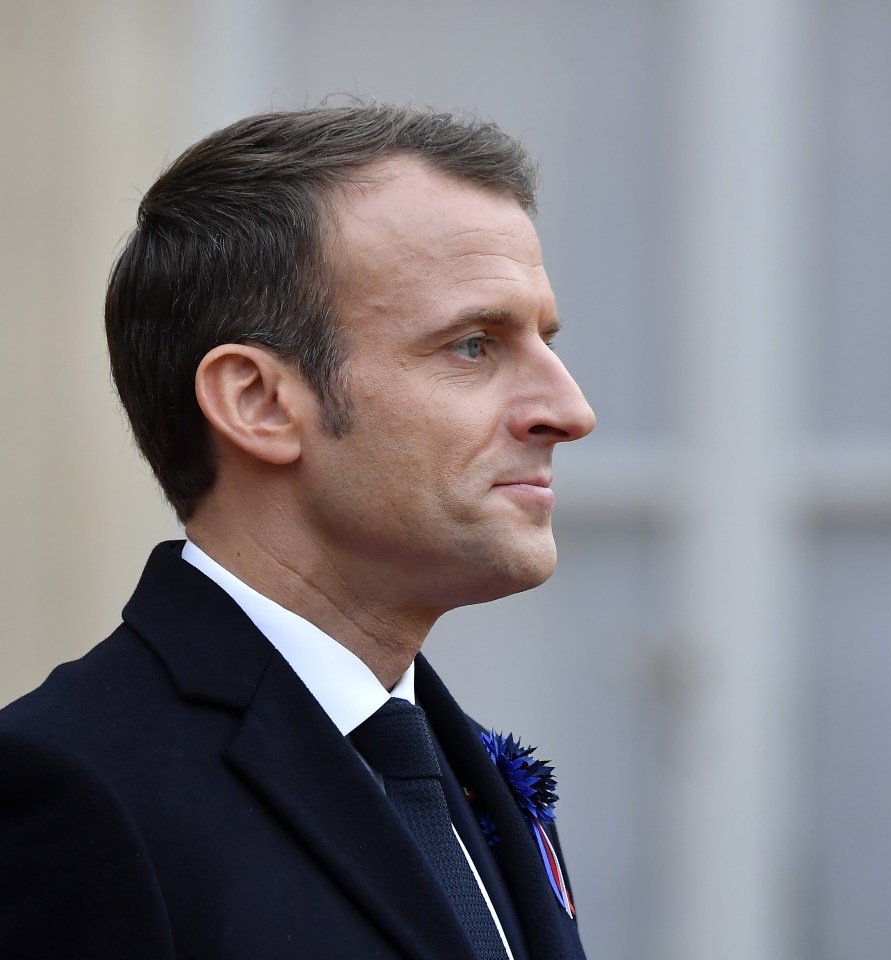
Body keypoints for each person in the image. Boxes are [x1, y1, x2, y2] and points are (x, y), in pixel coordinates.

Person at [0, 104, 595, 960]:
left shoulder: (449, 767)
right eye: (474, 346)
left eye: (543, 340)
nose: (570, 412)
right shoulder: (74, 790)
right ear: (258, 402)